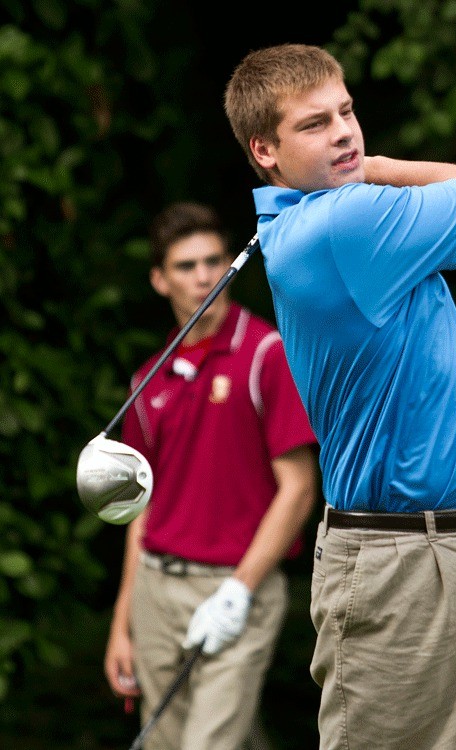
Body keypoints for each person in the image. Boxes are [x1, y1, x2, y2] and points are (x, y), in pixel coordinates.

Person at [223, 43, 456, 750]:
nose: (346, 131)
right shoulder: (340, 226)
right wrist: (382, 170)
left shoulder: (345, 217)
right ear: (265, 150)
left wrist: (364, 175)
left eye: (347, 111)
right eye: (315, 124)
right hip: (409, 561)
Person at [103, 201, 319, 750]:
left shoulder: (266, 353)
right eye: (185, 266)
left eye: (214, 261)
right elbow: (142, 510)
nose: (204, 277)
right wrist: (122, 621)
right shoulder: (146, 379)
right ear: (158, 279)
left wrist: (238, 592)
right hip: (156, 588)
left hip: (235, 587)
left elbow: (298, 490)